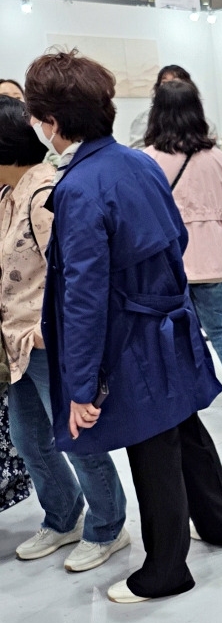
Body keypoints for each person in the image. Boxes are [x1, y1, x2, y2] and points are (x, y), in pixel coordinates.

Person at [25, 49, 222, 604]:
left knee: (153, 446)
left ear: (52, 121)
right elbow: (175, 236)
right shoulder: (138, 163)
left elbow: (83, 295)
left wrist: (80, 386)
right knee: (182, 425)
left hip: (130, 334)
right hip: (168, 318)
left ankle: (166, 569)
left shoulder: (80, 188)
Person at [0, 98, 130, 571]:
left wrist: (52, 333)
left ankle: (108, 526)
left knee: (76, 439)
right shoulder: (10, 193)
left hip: (46, 341)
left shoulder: (44, 194)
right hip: (15, 341)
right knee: (29, 439)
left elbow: (77, 272)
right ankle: (62, 517)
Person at [144, 78, 222, 409]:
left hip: (170, 260)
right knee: (220, 328)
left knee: (172, 331)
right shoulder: (217, 158)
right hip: (213, 258)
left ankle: (181, 394)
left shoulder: (148, 159)